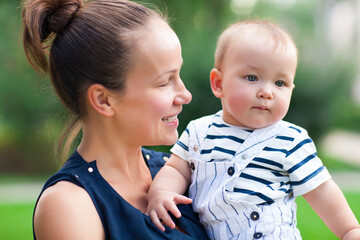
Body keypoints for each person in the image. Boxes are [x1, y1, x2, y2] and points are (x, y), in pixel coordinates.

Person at [146, 20, 360, 240]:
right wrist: (161, 192)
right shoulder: (199, 132)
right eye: (252, 78)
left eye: (280, 83)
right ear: (218, 83)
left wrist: (349, 230)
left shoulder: (290, 139)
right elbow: (176, 169)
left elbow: (322, 190)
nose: (267, 92)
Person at [21, 0, 210, 239]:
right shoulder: (69, 206)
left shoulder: (178, 175)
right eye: (164, 82)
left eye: (179, 75)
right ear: (104, 100)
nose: (185, 95)